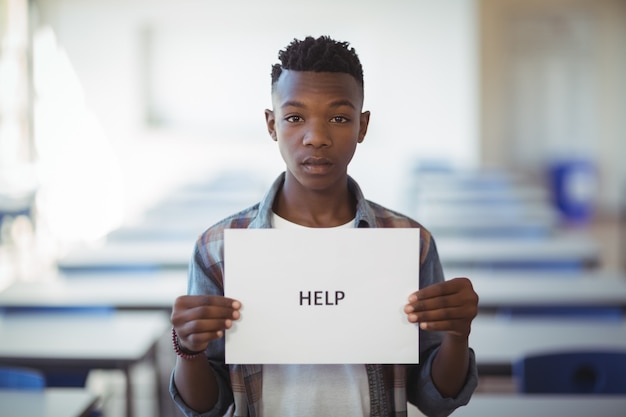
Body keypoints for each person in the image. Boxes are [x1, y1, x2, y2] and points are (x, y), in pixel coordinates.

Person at [169, 35, 478, 417]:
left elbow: (435, 399)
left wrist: (457, 335)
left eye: (339, 118)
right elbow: (207, 407)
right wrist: (189, 349)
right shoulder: (219, 248)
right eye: (295, 117)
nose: (316, 137)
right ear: (271, 124)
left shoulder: (408, 243)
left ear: (362, 126)